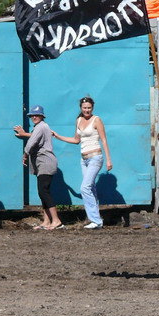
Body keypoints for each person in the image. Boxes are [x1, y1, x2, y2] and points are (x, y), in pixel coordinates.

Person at [52, 97, 112, 230]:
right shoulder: (78, 120)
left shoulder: (97, 120)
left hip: (96, 157)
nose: (87, 110)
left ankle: (95, 220)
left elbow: (104, 140)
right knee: (91, 188)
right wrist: (58, 136)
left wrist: (108, 159)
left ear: (92, 108)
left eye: (89, 108)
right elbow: (76, 140)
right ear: (81, 108)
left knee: (85, 188)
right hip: (83, 159)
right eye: (84, 107)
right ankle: (96, 220)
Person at [14, 105, 62, 230]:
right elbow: (36, 137)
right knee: (43, 192)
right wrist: (25, 133)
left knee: (43, 191)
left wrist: (25, 155)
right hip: (42, 163)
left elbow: (31, 143)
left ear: (42, 116)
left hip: (46, 162)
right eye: (32, 115)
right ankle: (47, 221)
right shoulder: (40, 127)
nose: (34, 117)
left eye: (37, 115)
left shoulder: (41, 126)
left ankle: (56, 220)